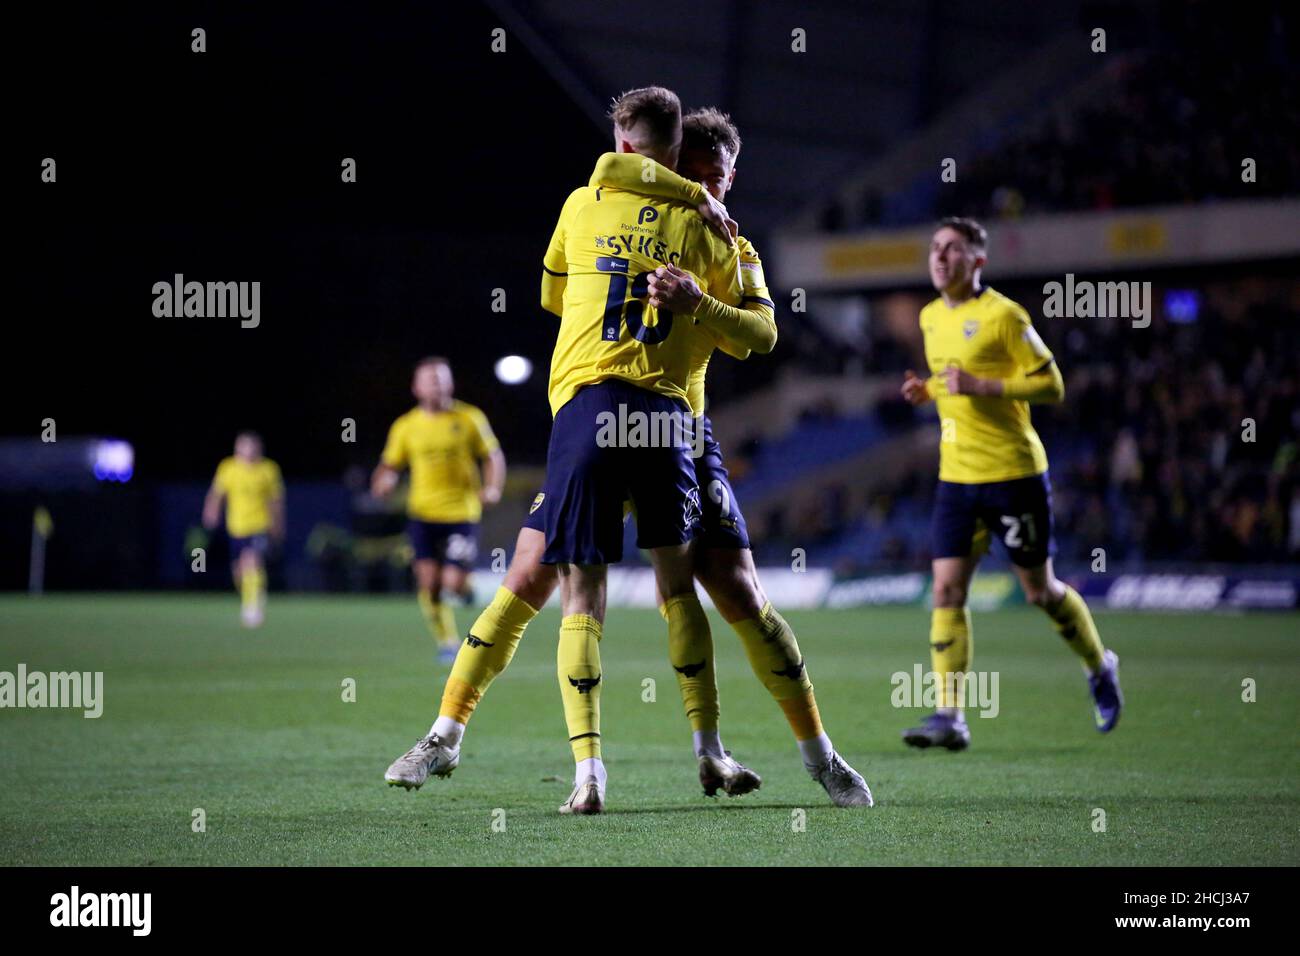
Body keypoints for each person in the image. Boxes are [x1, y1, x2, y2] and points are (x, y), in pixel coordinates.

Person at [899, 217, 1123, 750]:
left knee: (1039, 591)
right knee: (947, 589)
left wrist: (984, 384)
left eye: (953, 249)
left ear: (977, 261)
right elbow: (951, 378)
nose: (940, 257)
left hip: (1014, 475)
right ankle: (949, 715)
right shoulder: (930, 318)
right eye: (935, 247)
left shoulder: (1005, 315)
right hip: (956, 478)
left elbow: (1052, 384)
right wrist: (927, 391)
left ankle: (1099, 664)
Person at [371, 357, 505, 662]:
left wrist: (493, 486)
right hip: (423, 514)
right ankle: (447, 641)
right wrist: (384, 481)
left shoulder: (469, 418)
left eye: (442, 379)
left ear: (451, 384)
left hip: (461, 513)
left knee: (452, 584)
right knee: (429, 583)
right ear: (416, 387)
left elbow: (493, 456)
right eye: (430, 379)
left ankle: (465, 588)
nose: (437, 384)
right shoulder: (406, 426)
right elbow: (390, 465)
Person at [202, 431, 284, 628]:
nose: (248, 451)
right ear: (237, 448)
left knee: (251, 560)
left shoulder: (268, 469)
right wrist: (211, 512)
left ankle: (251, 607)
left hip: (259, 525)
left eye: (252, 446)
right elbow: (216, 494)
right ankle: (254, 593)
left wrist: (278, 524)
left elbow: (276, 501)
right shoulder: (228, 467)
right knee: (239, 571)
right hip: (236, 527)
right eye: (244, 446)